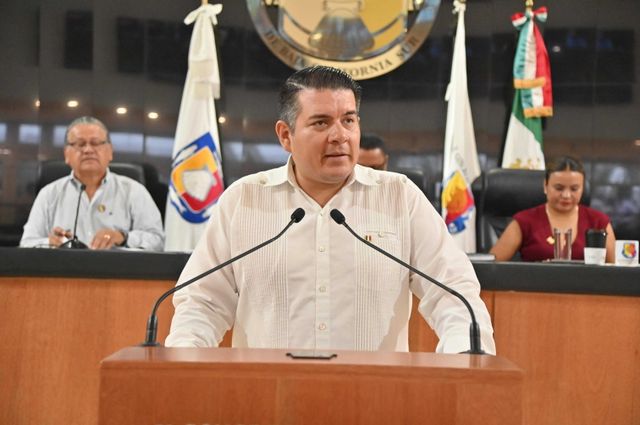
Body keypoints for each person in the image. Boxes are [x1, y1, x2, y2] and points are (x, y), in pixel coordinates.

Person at [166, 65, 495, 354]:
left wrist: (467, 356)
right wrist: (183, 362)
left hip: (373, 395)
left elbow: (455, 294)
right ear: (286, 135)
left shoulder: (400, 197)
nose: (340, 136)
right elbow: (203, 303)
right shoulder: (244, 200)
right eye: (321, 123)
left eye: (348, 120)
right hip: (270, 394)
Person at [20, 116, 165, 251]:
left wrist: (123, 237)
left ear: (110, 151)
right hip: (65, 269)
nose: (88, 150)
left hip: (117, 269)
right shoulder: (49, 194)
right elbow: (26, 244)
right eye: (80, 144)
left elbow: (158, 240)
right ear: (66, 154)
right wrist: (51, 243)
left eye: (95, 143)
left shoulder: (133, 191)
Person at [490, 156, 616, 262]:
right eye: (559, 188)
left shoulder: (598, 222)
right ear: (545, 186)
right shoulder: (524, 221)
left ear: (582, 188)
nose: (566, 195)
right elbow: (492, 265)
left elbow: (616, 271)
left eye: (574, 189)